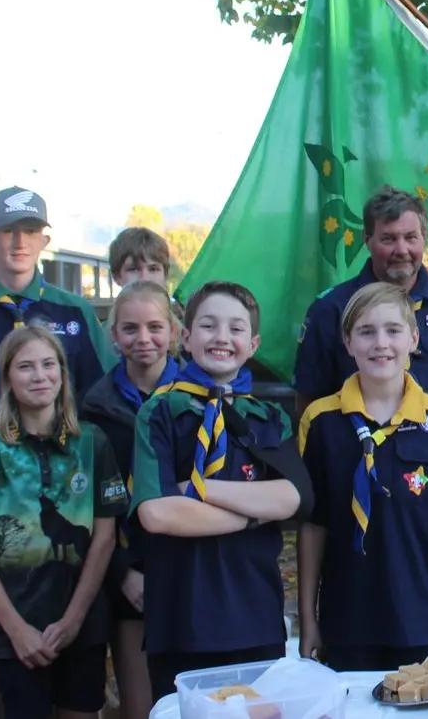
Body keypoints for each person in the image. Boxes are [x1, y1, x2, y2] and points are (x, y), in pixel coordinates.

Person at [132, 282, 311, 700]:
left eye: (235, 329)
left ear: (253, 344)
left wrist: (196, 489)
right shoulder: (160, 411)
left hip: (253, 614)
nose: (222, 338)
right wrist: (254, 513)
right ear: (185, 337)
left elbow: (294, 499)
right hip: (181, 617)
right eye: (208, 326)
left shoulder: (268, 417)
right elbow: (157, 515)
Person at [297, 282, 428, 671]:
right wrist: (308, 620)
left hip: (420, 618)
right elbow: (313, 528)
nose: (381, 343)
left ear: (414, 339)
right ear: (347, 342)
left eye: (393, 330)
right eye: (366, 332)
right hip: (345, 622)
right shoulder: (320, 422)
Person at [0, 326, 124, 719]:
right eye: (26, 367)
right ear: (7, 379)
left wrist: (74, 618)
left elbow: (104, 537)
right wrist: (16, 629)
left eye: (49, 365)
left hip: (79, 619)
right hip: (13, 624)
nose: (39, 375)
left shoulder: (92, 442)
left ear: (63, 373)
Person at [78, 281, 180, 719]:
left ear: (175, 332)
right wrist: (122, 573)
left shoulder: (199, 399)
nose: (144, 339)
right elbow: (84, 502)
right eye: (130, 328)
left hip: (189, 570)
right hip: (126, 574)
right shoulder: (92, 409)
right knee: (143, 706)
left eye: (156, 327)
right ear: (113, 335)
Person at [294, 186, 428, 410]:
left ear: (423, 238)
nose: (402, 249)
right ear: (367, 240)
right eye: (388, 239)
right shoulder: (330, 310)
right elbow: (308, 404)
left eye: (410, 237)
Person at [0, 186, 117, 400]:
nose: (20, 242)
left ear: (45, 241)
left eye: (31, 231)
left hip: (63, 433)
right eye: (8, 230)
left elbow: (104, 391)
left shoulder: (75, 310)